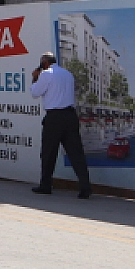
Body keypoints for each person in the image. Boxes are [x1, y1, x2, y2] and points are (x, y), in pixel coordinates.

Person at [30, 52, 91, 198]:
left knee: (48, 153)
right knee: (76, 154)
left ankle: (45, 185)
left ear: (44, 63)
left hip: (54, 117)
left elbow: (35, 93)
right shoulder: (68, 74)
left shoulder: (46, 74)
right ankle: (85, 187)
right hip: (70, 116)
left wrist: (34, 78)